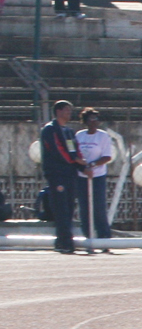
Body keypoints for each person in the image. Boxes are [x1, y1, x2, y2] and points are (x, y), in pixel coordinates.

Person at [38, 100, 83, 254]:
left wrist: (82, 165)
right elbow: (57, 150)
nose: (69, 113)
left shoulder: (68, 131)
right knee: (61, 208)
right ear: (58, 111)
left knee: (69, 208)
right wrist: (74, 160)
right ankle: (63, 241)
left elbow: (74, 149)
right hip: (57, 174)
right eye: (66, 110)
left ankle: (66, 241)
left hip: (70, 174)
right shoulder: (50, 129)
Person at [74, 108, 114, 252]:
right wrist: (82, 166)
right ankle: (88, 238)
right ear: (85, 121)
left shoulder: (103, 136)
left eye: (96, 119)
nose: (94, 122)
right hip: (82, 176)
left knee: (99, 208)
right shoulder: (79, 135)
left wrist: (93, 165)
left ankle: (104, 240)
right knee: (84, 208)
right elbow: (75, 153)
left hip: (97, 176)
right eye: (91, 119)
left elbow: (107, 156)